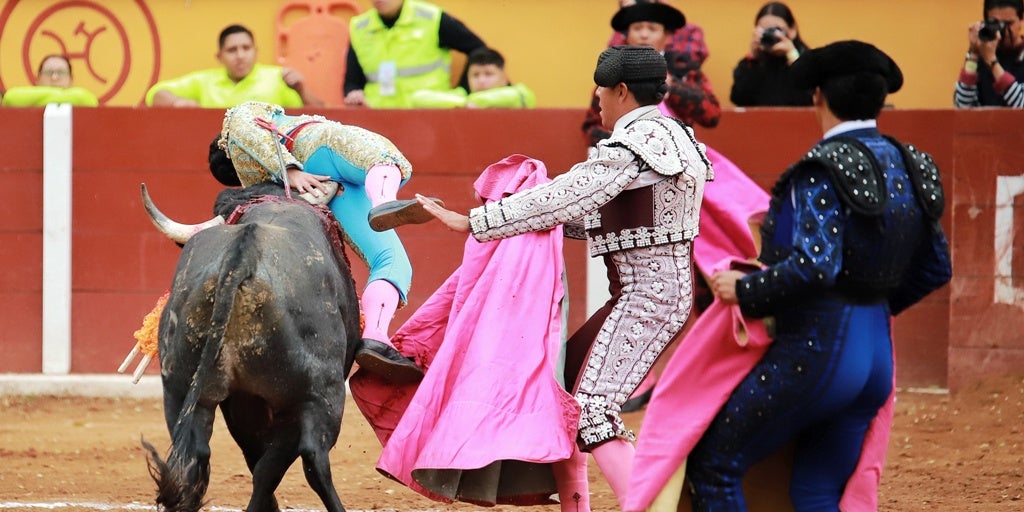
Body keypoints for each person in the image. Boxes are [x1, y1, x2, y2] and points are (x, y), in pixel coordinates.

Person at [415, 45, 713, 509]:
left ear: (621, 90)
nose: (595, 95)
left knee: (592, 411)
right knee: (566, 396)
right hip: (647, 296)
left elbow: (565, 199)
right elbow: (605, 220)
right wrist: (526, 229)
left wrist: (477, 220)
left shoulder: (640, 142)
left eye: (601, 86)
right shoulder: (668, 137)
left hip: (647, 300)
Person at [677, 41, 952, 511]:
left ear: (817, 95)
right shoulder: (912, 162)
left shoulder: (821, 168)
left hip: (818, 351)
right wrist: (872, 302)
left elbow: (814, 266)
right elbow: (936, 267)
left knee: (713, 464)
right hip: (876, 360)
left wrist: (744, 290)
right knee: (817, 489)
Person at [349, 154, 584, 511]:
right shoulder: (536, 237)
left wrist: (409, 347)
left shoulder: (497, 239)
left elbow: (441, 313)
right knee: (568, 413)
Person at [217, 100, 443, 384]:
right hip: (317, 153)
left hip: (328, 189)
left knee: (392, 261)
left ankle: (375, 336)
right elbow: (240, 120)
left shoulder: (257, 184)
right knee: (385, 156)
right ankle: (385, 201)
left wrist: (288, 174)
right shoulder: (245, 121)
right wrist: (289, 168)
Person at [583, 1, 720, 147]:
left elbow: (711, 116)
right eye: (637, 28)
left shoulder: (683, 68)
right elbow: (592, 127)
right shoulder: (614, 71)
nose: (644, 35)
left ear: (667, 36)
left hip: (677, 154)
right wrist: (627, 142)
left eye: (652, 29)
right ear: (627, 35)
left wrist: (672, 86)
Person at [343, 0, 486, 108]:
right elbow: (352, 81)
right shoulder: (360, 27)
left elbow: (479, 50)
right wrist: (354, 95)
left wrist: (463, 92)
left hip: (429, 115)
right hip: (380, 118)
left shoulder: (431, 18)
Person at [145, 25, 323, 108]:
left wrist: (301, 89)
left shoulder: (278, 78)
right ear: (219, 56)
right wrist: (179, 103)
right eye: (232, 50)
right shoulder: (204, 81)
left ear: (255, 51)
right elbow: (155, 94)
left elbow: (321, 115)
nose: (240, 56)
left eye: (246, 48)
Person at [730, 1, 813, 107]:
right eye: (765, 30)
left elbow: (810, 99)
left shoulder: (809, 61)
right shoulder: (750, 63)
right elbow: (738, 99)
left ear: (792, 30)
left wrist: (793, 58)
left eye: (777, 29)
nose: (771, 35)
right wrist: (753, 59)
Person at [409, 47, 536, 108]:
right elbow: (417, 98)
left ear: (504, 77)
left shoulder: (517, 95)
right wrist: (464, 103)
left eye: (488, 74)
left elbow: (524, 95)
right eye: (475, 75)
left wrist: (476, 103)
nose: (481, 80)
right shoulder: (461, 98)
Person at [954, 0, 1024, 108]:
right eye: (996, 23)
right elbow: (962, 107)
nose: (1002, 30)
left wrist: (992, 62)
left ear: (1021, 20)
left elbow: (1021, 105)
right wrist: (973, 54)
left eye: (1009, 23)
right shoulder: (982, 54)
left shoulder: (988, 56)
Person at [1, 54, 99, 107]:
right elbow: (10, 98)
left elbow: (87, 100)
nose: (54, 77)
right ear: (37, 79)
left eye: (61, 72)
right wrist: (61, 94)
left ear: (71, 79)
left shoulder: (83, 98)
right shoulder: (16, 97)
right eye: (48, 72)